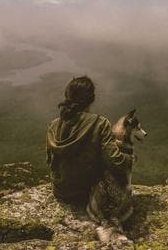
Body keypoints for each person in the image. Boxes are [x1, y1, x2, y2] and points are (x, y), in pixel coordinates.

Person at [46, 76, 133, 207]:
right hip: (87, 194)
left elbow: (49, 160)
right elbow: (116, 161)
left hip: (60, 191)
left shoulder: (53, 125)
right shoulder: (100, 123)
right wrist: (130, 159)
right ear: (92, 98)